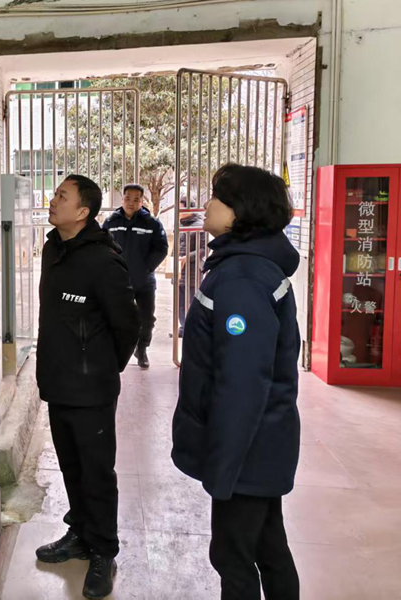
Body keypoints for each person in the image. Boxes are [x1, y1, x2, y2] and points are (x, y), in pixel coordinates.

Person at [171, 163, 301, 600]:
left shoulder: (243, 277)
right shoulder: (248, 266)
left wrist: (224, 466)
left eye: (218, 198)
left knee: (233, 557)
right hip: (261, 443)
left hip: (248, 448)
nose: (207, 204)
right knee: (268, 547)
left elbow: (242, 384)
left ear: (240, 212)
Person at [35, 174, 140, 599]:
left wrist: (100, 368)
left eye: (62, 196)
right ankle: (79, 533)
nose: (53, 200)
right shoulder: (52, 249)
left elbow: (127, 326)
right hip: (57, 381)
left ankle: (103, 550)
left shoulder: (103, 261)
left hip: (91, 388)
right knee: (71, 466)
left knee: (96, 472)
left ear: (82, 212)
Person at [103, 184, 168, 368]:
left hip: (144, 282)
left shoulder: (152, 223)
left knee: (147, 319)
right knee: (117, 317)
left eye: (136, 199)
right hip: (118, 280)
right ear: (122, 199)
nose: (131, 203)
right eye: (127, 199)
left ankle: (142, 349)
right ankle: (116, 351)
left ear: (141, 201)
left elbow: (162, 248)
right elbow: (102, 245)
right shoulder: (111, 222)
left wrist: (146, 267)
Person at [176, 210, 207, 338]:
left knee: (192, 300)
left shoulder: (199, 225)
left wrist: (187, 257)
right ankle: (183, 327)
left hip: (193, 270)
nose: (179, 209)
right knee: (180, 302)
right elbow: (176, 247)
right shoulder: (179, 224)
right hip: (179, 269)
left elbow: (204, 249)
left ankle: (192, 327)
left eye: (181, 206)